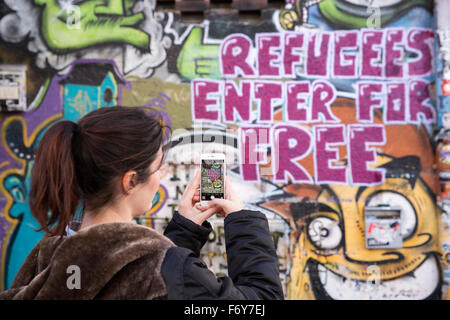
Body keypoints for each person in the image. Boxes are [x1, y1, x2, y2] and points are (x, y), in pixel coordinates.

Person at [0, 106, 283, 300]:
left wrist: (183, 232)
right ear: (130, 181)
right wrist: (243, 221)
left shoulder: (48, 256)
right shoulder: (169, 268)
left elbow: (133, 270)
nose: (162, 175)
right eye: (159, 167)